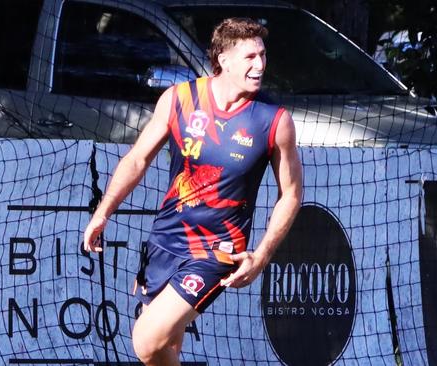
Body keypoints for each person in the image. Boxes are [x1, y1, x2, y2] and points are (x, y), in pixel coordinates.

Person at [83, 18, 302, 365]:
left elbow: (290, 194)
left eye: (262, 55)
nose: (260, 65)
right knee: (166, 349)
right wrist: (103, 212)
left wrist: (260, 257)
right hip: (165, 241)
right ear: (223, 59)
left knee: (147, 340)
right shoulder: (179, 99)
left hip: (216, 252)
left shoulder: (274, 120)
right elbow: (137, 159)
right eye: (250, 57)